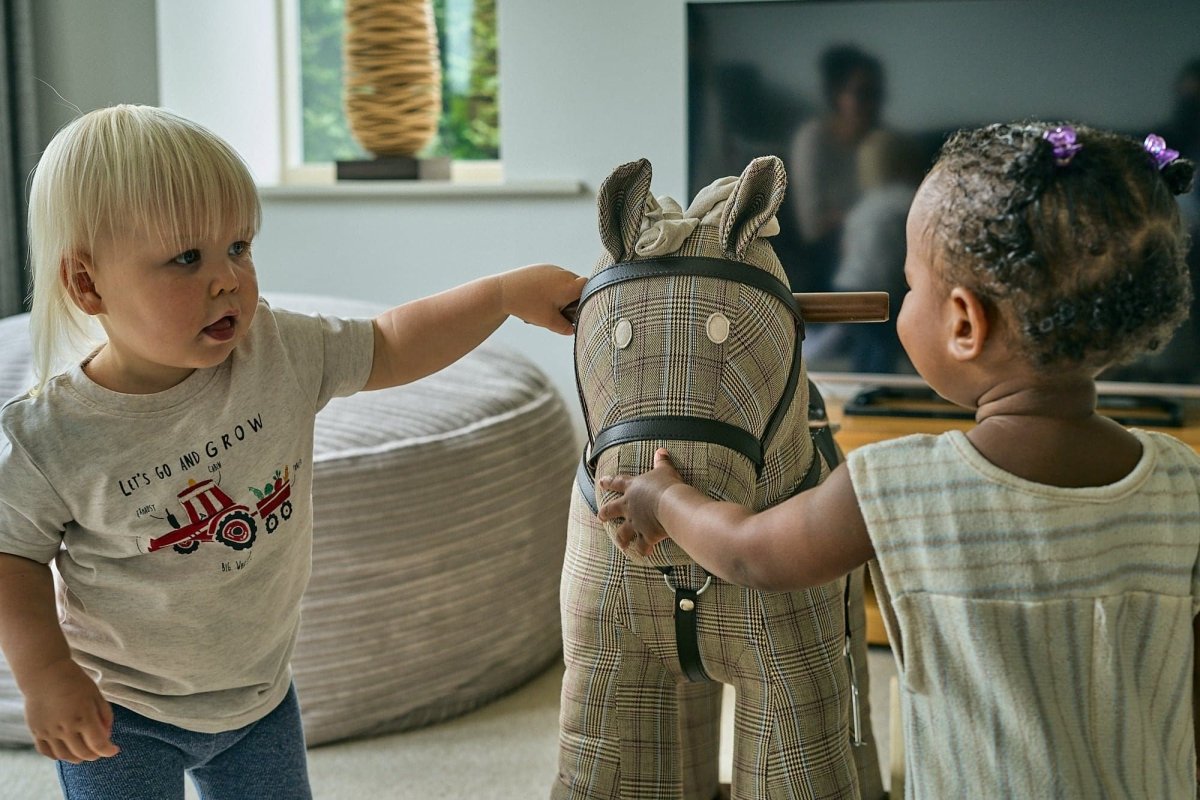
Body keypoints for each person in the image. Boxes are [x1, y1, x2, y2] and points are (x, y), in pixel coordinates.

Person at [0, 105, 584, 799]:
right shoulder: (53, 436)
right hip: (119, 709)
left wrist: (503, 294)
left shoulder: (274, 352)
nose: (227, 280)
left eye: (239, 247)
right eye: (187, 258)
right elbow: (13, 554)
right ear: (89, 284)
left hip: (259, 697)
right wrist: (46, 675)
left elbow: (391, 343)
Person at [598, 121, 1200, 796]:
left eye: (912, 284)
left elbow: (750, 553)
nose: (902, 299)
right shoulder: (1183, 485)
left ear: (965, 324)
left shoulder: (897, 484)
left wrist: (663, 500)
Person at [787, 44, 885, 292]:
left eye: (876, 94)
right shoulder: (813, 139)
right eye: (861, 93)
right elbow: (812, 226)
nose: (871, 104)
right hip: (827, 255)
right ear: (836, 95)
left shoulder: (884, 142)